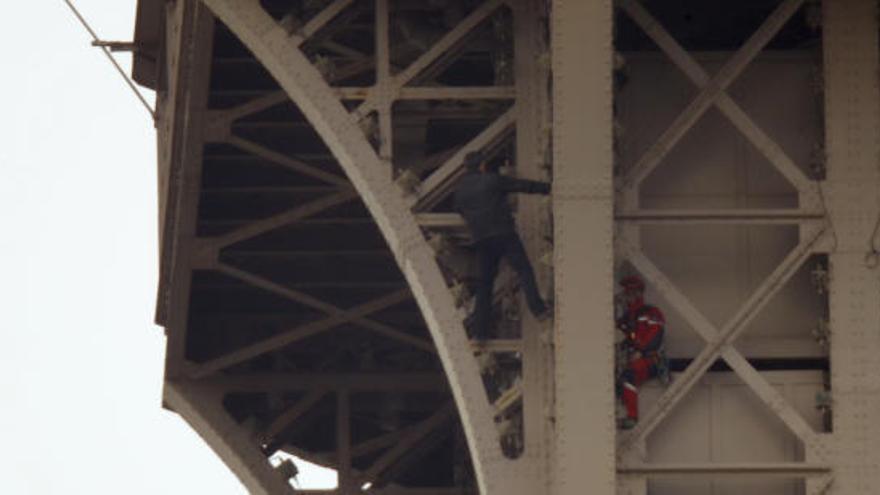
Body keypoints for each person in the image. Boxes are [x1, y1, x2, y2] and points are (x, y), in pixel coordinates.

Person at [453, 150, 552, 341]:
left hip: (482, 240)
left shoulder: (460, 192)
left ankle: (480, 333)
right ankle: (538, 309)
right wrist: (548, 188)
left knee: (484, 286)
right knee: (523, 270)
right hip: (504, 234)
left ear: (466, 168)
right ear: (482, 165)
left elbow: (459, 209)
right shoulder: (492, 180)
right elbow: (522, 186)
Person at [616, 275, 668, 430]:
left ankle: (632, 417)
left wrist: (641, 351)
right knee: (621, 378)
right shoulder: (627, 317)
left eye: (632, 292)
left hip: (650, 359)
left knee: (628, 376)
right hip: (635, 357)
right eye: (627, 292)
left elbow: (655, 336)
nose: (629, 296)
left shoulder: (651, 312)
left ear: (639, 292)